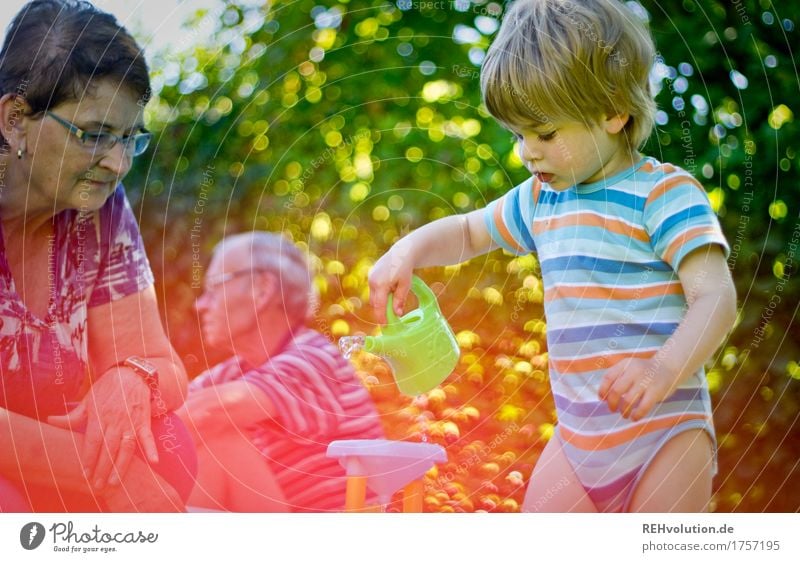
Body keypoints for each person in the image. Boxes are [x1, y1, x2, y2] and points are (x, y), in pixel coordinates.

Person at [369, 0, 737, 513]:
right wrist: (407, 249)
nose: (527, 151)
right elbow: (471, 232)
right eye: (518, 134)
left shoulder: (665, 195)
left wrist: (662, 369)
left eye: (545, 133)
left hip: (666, 433)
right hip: (578, 440)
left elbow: (716, 298)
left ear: (613, 111)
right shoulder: (542, 198)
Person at [0, 0, 195, 512]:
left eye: (131, 139)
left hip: (50, 453)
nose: (118, 163)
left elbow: (164, 367)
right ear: (14, 119)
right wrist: (112, 480)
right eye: (94, 136)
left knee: (170, 444)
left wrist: (133, 377)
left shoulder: (98, 208)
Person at [178, 232, 385, 512]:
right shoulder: (228, 377)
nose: (200, 305)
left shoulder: (313, 357)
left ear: (262, 289)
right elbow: (172, 415)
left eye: (215, 286)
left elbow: (201, 414)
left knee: (216, 436)